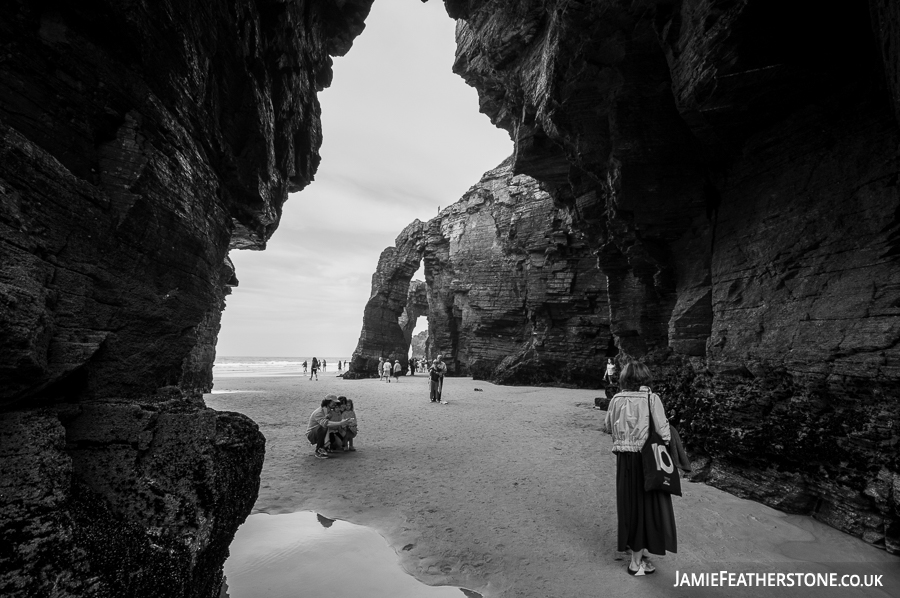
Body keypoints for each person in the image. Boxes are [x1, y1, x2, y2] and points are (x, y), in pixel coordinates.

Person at [602, 360, 676, 576]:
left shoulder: (616, 399)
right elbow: (664, 432)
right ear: (645, 379)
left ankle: (637, 550)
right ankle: (636, 563)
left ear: (625, 379)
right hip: (646, 459)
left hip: (624, 458)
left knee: (629, 504)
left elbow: (607, 426)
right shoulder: (652, 399)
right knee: (645, 507)